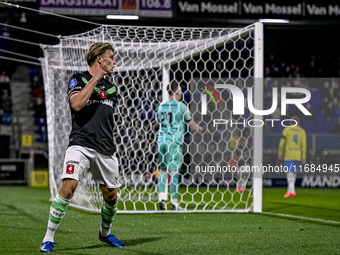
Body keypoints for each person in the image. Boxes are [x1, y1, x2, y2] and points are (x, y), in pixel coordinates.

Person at [40, 43, 125, 253]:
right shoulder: (78, 79)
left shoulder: (112, 88)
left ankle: (105, 234)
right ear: (99, 59)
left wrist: (99, 81)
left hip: (105, 148)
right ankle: (48, 238)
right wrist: (95, 78)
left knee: (111, 196)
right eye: (111, 57)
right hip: (80, 144)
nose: (114, 61)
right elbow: (76, 105)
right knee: (68, 187)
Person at [157, 81, 203, 210]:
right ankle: (174, 203)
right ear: (177, 92)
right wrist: (201, 129)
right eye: (180, 90)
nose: (182, 92)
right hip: (174, 141)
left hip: (161, 140)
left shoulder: (161, 106)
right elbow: (191, 125)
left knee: (163, 170)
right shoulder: (182, 106)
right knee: (174, 172)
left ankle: (161, 198)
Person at [277, 116, 307, 198]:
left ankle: (291, 190)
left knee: (289, 173)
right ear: (298, 122)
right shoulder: (302, 131)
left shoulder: (287, 130)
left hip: (289, 154)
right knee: (294, 173)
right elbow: (304, 144)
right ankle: (291, 191)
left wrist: (280, 152)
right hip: (297, 154)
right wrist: (303, 155)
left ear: (291, 121)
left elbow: (282, 142)